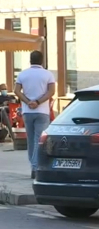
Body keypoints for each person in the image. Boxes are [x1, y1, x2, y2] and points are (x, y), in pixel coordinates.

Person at [14, 51, 56, 179]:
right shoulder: (48, 74)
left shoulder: (23, 74)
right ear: (42, 60)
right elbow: (51, 91)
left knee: (31, 140)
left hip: (27, 112)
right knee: (40, 140)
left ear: (30, 60)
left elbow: (16, 91)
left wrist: (27, 102)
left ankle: (33, 166)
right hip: (42, 111)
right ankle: (36, 166)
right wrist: (38, 102)